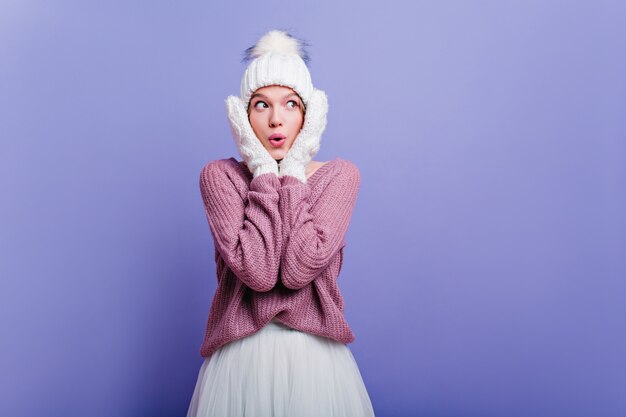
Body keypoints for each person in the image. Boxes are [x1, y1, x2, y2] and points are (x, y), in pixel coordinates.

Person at [186, 29, 376, 417]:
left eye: (290, 104)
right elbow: (257, 271)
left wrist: (291, 171)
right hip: (239, 362)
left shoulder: (340, 176)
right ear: (242, 116)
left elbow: (297, 270)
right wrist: (263, 171)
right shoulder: (219, 177)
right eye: (260, 105)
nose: (276, 119)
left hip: (316, 363)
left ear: (309, 114)